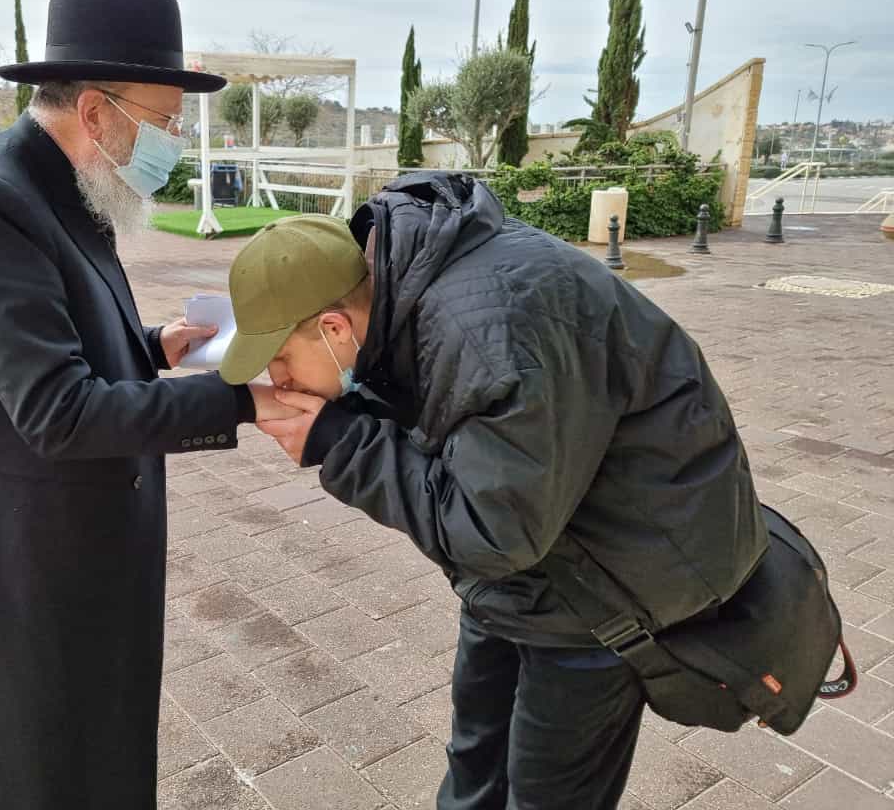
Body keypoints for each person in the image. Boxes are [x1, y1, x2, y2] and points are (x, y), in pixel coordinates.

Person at [219, 175, 766, 810]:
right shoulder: (408, 284)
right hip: (532, 558)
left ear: (336, 327)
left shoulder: (486, 330)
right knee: (477, 765)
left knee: (546, 793)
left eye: (281, 360)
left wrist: (339, 443)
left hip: (615, 581)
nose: (279, 380)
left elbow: (490, 531)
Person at [0, 0, 299, 810]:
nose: (172, 142)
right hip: (3, 558)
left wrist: (153, 346)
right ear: (99, 111)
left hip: (64, 546)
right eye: (164, 119)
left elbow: (48, 346)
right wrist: (242, 400)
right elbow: (57, 409)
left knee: (85, 755)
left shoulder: (71, 185)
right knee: (24, 770)